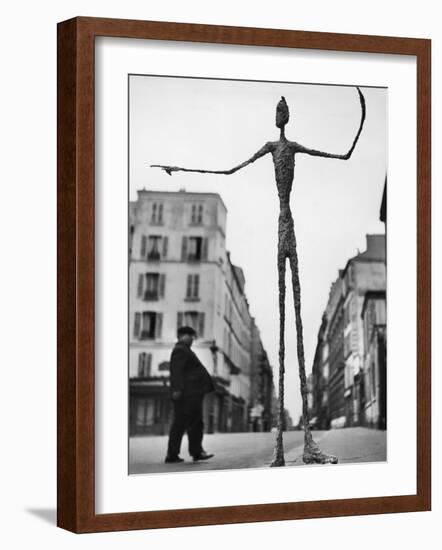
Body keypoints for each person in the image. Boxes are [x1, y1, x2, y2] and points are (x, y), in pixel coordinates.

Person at [165, 325, 215, 463]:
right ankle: (196, 452)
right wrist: (177, 390)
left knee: (180, 424)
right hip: (188, 394)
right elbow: (177, 371)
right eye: (191, 336)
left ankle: (173, 454)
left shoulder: (183, 350)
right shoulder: (181, 350)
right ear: (182, 336)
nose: (193, 339)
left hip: (187, 393)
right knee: (194, 423)